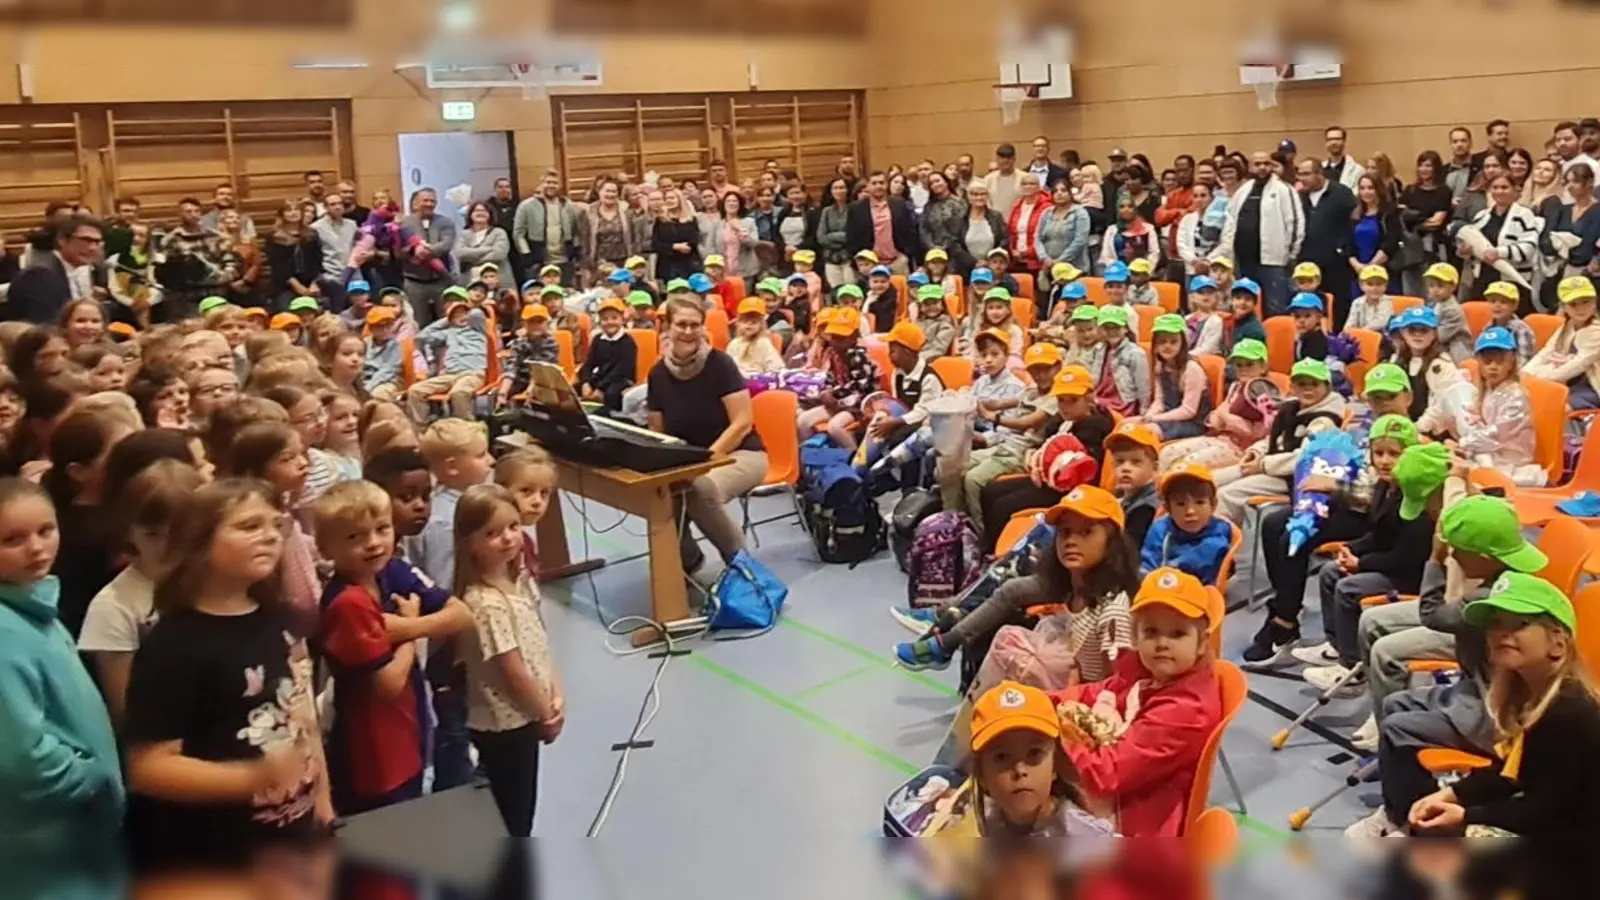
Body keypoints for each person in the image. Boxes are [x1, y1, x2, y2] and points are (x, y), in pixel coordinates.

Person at [123, 479, 332, 868]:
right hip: (219, 853)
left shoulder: (276, 618)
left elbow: (302, 715)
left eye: (275, 525)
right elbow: (149, 768)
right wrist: (251, 777)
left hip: (293, 842)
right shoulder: (175, 644)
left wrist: (322, 801)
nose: (270, 536)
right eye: (249, 526)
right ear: (199, 542)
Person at [1399, 573, 1600, 837]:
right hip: (1558, 828)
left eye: (1522, 623)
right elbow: (1510, 772)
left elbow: (1547, 811)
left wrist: (1467, 816)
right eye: (1496, 623)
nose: (1502, 632)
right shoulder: (1531, 696)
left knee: (1432, 838)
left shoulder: (1568, 711)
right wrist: (1453, 794)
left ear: (1558, 642)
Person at [314, 481, 472, 815]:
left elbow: (460, 614)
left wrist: (406, 626)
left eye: (381, 529)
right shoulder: (348, 604)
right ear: (326, 547)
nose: (373, 544)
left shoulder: (393, 570)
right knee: (381, 848)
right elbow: (387, 685)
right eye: (354, 537)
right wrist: (411, 635)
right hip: (372, 755)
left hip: (410, 731)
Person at [0, 478, 125, 863]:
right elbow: (23, 755)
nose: (37, 548)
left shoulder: (35, 607)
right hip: (45, 840)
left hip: (71, 833)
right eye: (12, 539)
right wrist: (95, 778)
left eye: (45, 530)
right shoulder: (5, 630)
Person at [896, 486, 1136, 682]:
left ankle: (944, 635)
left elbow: (1115, 684)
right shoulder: (1069, 579)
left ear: (1112, 543)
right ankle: (945, 632)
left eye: (1085, 532)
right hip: (1072, 669)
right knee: (1009, 596)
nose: (1071, 541)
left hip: (1083, 697)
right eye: (1064, 532)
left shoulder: (1113, 611)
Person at [1050, 567, 1224, 837]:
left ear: (1202, 644)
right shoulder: (1146, 672)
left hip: (1136, 827)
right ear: (1135, 637)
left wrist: (1051, 734)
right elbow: (1097, 691)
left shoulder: (1187, 709)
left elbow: (1108, 773)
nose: (1162, 643)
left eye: (1177, 633)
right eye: (1151, 632)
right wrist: (1043, 702)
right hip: (1119, 799)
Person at [449, 484, 562, 837]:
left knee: (522, 803)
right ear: (470, 543)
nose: (508, 538)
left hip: (530, 713)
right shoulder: (486, 603)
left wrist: (557, 692)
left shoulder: (520, 581)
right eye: (492, 533)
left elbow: (540, 647)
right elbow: (512, 671)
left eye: (513, 527)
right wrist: (546, 714)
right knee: (513, 814)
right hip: (508, 723)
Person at [1293, 416, 1430, 684]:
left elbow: (1406, 558)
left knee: (1349, 588)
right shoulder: (1383, 487)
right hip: (1385, 562)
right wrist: (1351, 549)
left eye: (1394, 454)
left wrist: (1361, 563)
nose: (1385, 461)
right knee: (1331, 572)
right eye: (1378, 453)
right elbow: (1376, 535)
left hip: (1408, 575)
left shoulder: (1415, 499)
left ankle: (1352, 666)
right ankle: (1336, 646)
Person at [646, 298, 767, 575]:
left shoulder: (720, 364)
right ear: (667, 327)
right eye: (681, 325)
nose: (688, 332)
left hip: (740, 454)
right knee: (663, 493)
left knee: (700, 489)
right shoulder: (658, 374)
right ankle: (687, 562)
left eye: (695, 325)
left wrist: (704, 462)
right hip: (689, 460)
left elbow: (742, 423)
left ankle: (745, 571)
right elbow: (657, 431)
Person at [955, 344, 1062, 529]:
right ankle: (959, 519)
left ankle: (979, 531)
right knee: (955, 464)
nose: (1040, 374)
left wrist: (992, 417)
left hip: (1023, 453)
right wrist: (973, 400)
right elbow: (999, 403)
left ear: (1057, 368)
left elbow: (1028, 422)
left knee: (972, 480)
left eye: (1045, 369)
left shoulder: (1057, 398)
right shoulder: (1030, 391)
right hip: (1005, 446)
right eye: (1035, 370)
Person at [1160, 339, 1280, 472]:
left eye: (1249, 364)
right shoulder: (1235, 386)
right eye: (1239, 365)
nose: (1243, 369)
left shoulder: (1268, 395)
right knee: (1167, 453)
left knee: (1186, 465)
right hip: (1220, 438)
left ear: (1263, 367)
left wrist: (1225, 417)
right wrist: (1226, 418)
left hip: (1241, 450)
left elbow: (1253, 433)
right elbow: (1214, 419)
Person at [1216, 151, 1304, 316]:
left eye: (1266, 163)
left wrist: (1291, 254)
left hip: (1274, 261)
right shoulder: (1243, 190)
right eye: (1257, 164)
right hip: (1244, 259)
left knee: (1275, 308)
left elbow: (1295, 223)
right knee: (1245, 307)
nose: (1262, 167)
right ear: (1250, 167)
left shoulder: (1284, 190)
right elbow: (1231, 220)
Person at [1460, 174, 1542, 313]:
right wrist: (1465, 252)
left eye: (1504, 187)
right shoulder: (1481, 216)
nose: (1499, 191)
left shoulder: (1524, 214)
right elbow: (1475, 249)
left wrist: (1499, 252)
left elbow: (1529, 248)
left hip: (1512, 280)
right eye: (1495, 187)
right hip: (1483, 279)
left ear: (1514, 190)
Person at [1138, 464, 1233, 584]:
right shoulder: (1160, 529)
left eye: (1199, 502)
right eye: (1180, 504)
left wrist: (1173, 567)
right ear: (1168, 508)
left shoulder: (1220, 533)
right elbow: (1148, 565)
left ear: (1213, 505)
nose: (1190, 511)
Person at [4, 213, 105, 326]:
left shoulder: (80, 271)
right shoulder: (40, 275)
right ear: (62, 240)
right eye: (86, 240)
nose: (93, 248)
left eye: (97, 242)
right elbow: (47, 327)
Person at [406, 288, 490, 421]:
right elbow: (421, 337)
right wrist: (447, 320)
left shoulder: (477, 328)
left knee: (459, 393)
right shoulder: (447, 333)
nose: (461, 317)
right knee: (415, 391)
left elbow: (476, 313)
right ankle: (420, 430)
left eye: (463, 314)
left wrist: (461, 312)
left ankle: (467, 428)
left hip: (472, 373)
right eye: (456, 316)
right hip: (449, 375)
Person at [1293, 158, 1357, 325]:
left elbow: (1355, 218)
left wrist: (1344, 248)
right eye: (1299, 174)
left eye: (1306, 174)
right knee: (1309, 309)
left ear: (1320, 173)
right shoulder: (1299, 197)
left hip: (1336, 263)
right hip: (1307, 263)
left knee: (1337, 308)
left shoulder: (1341, 193)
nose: (1301, 179)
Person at [1524, 275, 1600, 409]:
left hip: (1591, 389)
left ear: (1594, 303)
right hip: (1566, 383)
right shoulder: (1567, 326)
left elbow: (1578, 364)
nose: (1580, 308)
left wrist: (1538, 379)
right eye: (1573, 304)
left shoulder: (1596, 331)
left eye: (1585, 301)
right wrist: (1525, 373)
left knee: (1554, 407)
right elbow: (1546, 352)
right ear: (1564, 307)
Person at [1135, 314, 1209, 440]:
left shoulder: (1192, 369)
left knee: (1147, 433)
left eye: (1173, 341)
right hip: (1168, 416)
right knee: (1129, 425)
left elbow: (1188, 411)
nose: (1167, 346)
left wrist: (1156, 419)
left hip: (1192, 423)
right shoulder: (1160, 366)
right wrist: (1148, 416)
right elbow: (1160, 401)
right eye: (1162, 341)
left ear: (1183, 343)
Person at [1387, 305, 1459, 434]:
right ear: (1403, 333)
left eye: (1424, 330)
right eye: (1412, 330)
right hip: (1401, 426)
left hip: (1432, 432)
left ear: (1434, 334)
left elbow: (1441, 406)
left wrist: (1416, 429)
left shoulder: (1442, 364)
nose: (1418, 335)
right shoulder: (1396, 360)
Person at [1400, 150, 1455, 297]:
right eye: (1421, 165)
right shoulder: (1410, 190)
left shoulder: (1443, 191)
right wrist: (1421, 220)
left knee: (1432, 289)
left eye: (1428, 166)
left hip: (1433, 246)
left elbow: (1436, 222)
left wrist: (1416, 220)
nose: (1424, 169)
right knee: (1411, 290)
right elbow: (1401, 215)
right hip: (1410, 246)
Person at [512, 170, 580, 285]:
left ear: (559, 185)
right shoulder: (526, 206)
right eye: (548, 182)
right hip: (538, 260)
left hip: (564, 259)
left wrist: (576, 250)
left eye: (555, 183)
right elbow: (518, 234)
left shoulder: (568, 205)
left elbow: (575, 230)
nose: (551, 185)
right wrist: (526, 253)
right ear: (541, 184)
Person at [400, 188, 456, 326]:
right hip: (414, 281)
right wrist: (412, 251)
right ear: (416, 203)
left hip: (440, 280)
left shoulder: (446, 222)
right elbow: (398, 250)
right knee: (417, 322)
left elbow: (446, 245)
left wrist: (423, 250)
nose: (429, 204)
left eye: (433, 201)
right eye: (425, 200)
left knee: (446, 320)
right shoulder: (404, 223)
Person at [846, 171, 919, 276]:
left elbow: (910, 231)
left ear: (887, 185)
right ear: (868, 186)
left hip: (897, 261)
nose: (878, 186)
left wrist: (906, 254)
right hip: (870, 263)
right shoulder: (856, 208)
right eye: (874, 183)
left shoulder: (899, 204)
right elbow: (851, 236)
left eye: (881, 183)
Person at [1090, 306, 1149, 417]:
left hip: (1123, 404)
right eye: (1107, 328)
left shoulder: (1135, 353)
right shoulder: (1098, 349)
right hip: (1099, 400)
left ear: (1126, 329)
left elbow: (1143, 386)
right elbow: (1094, 378)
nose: (1112, 332)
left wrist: (1144, 411)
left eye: (1116, 327)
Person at [1418, 262, 1474, 362]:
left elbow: (1440, 336)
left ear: (1453, 287)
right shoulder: (1435, 303)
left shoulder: (1452, 310)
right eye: (1431, 286)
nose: (1435, 290)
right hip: (1440, 344)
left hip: (1455, 348)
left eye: (1440, 286)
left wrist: (1420, 332)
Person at [455, 201, 511, 283]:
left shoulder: (499, 232)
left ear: (490, 214)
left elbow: (499, 254)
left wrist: (472, 261)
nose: (480, 213)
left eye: (484, 211)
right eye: (477, 210)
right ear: (470, 214)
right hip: (471, 280)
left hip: (497, 279)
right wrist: (489, 249)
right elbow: (460, 253)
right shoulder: (463, 234)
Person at [1345, 264, 1395, 334]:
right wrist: (1345, 333)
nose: (1375, 288)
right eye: (1370, 284)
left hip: (1383, 339)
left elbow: (1380, 323)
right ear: (1361, 285)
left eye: (1379, 284)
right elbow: (1350, 323)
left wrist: (1360, 332)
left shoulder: (1387, 301)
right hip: (1361, 337)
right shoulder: (1357, 302)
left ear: (1386, 286)